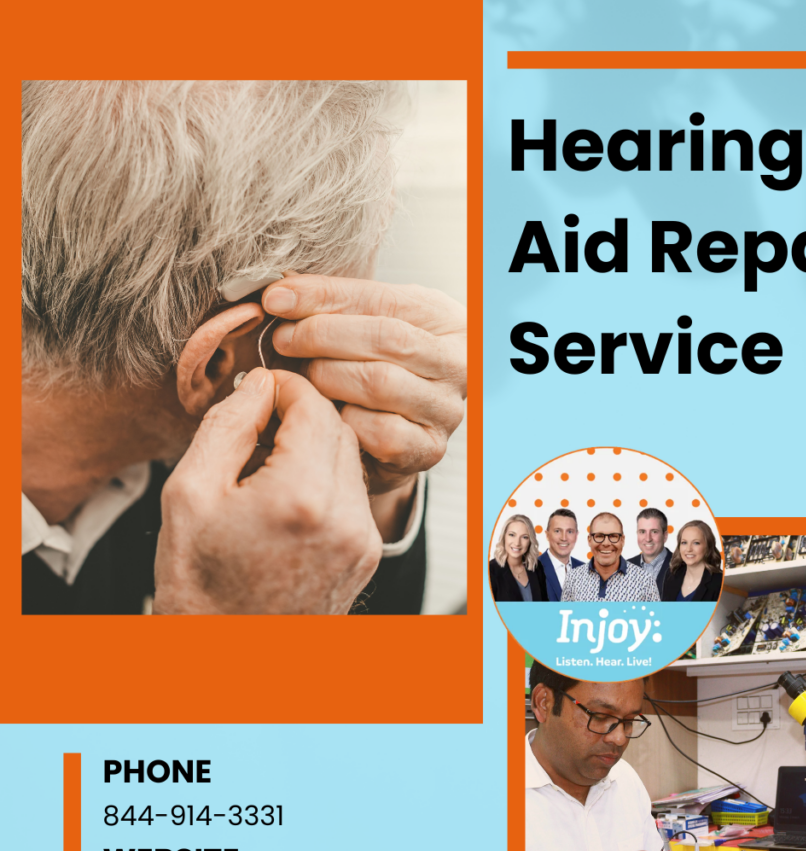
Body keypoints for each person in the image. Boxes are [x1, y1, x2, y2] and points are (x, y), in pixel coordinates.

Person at [21, 80, 466, 615]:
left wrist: (374, 475)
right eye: (346, 317)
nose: (367, 346)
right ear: (218, 364)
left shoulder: (173, 451)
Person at [526, 662, 719, 851]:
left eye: (629, 721)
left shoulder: (625, 779)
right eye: (601, 717)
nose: (619, 738)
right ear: (544, 703)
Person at [561, 513, 661, 602]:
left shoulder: (645, 581)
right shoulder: (572, 579)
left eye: (613, 536)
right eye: (599, 536)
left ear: (622, 540)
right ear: (589, 540)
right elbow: (564, 621)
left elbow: (655, 621)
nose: (606, 543)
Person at [661, 520, 724, 603]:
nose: (688, 549)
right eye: (684, 542)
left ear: (708, 546)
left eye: (696, 543)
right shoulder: (671, 575)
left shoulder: (719, 581)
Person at [490, 514, 548, 602]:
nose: (517, 543)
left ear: (530, 541)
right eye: (512, 535)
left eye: (525, 537)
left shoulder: (536, 567)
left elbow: (544, 605)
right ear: (504, 537)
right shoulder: (490, 570)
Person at [537, 509, 584, 601]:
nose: (564, 538)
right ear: (547, 535)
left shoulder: (586, 569)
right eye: (557, 531)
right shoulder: (531, 569)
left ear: (576, 535)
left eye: (570, 531)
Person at [627, 508, 672, 594]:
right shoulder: (625, 567)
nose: (648, 539)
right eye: (642, 531)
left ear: (665, 536)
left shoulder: (683, 566)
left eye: (654, 532)